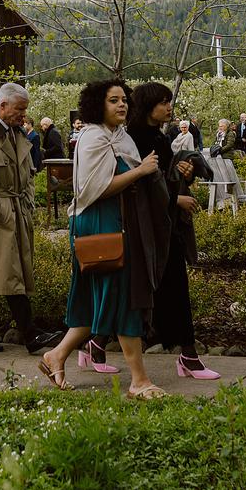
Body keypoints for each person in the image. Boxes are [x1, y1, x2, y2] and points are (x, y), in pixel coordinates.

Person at [38, 79, 167, 400]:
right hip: (98, 225)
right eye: (113, 100)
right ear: (99, 105)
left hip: (119, 223)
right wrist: (140, 172)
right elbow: (94, 189)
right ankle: (138, 380)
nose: (121, 105)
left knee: (100, 300)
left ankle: (55, 356)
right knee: (122, 296)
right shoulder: (92, 138)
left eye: (124, 99)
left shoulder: (121, 137)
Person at [125, 81, 218, 379]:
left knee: (171, 286)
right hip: (147, 229)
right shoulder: (134, 139)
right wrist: (175, 198)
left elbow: (163, 177)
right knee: (145, 290)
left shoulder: (159, 137)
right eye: (163, 102)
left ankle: (188, 354)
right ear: (148, 105)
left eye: (170, 101)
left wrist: (182, 174)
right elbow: (138, 185)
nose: (169, 107)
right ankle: (95, 344)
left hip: (164, 226)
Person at [0, 82, 61, 354]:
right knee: (8, 271)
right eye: (19, 109)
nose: (24, 115)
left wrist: (25, 204)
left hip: (15, 211)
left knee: (1, 272)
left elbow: (28, 175)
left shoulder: (16, 135)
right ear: (2, 106)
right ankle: (31, 335)